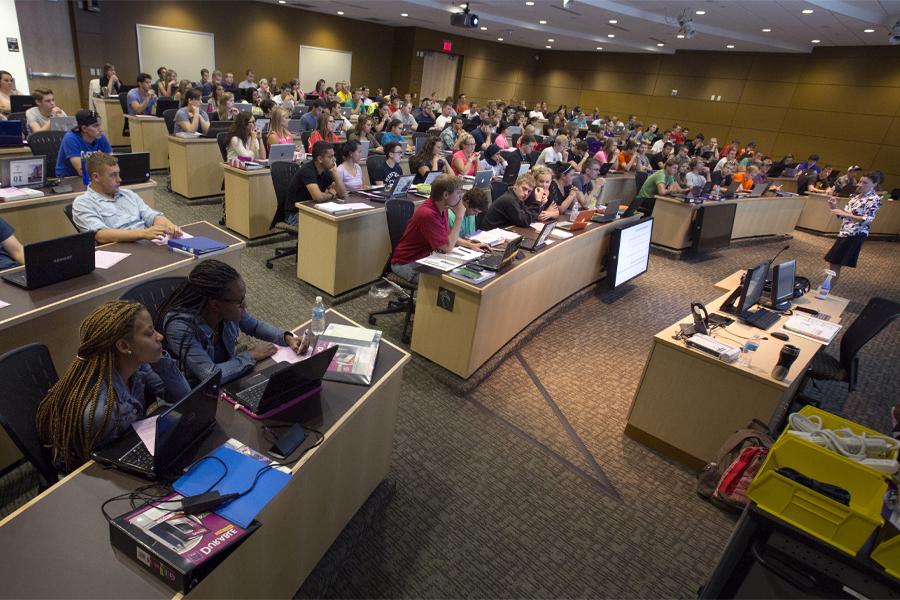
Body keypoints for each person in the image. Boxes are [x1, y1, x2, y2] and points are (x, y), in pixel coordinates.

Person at [35, 300, 191, 472]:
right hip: (92, 475)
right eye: (149, 333)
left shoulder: (137, 366)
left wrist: (160, 360)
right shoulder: (103, 411)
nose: (160, 336)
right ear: (124, 346)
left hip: (128, 446)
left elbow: (183, 397)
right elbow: (104, 463)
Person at [157, 260, 304, 388]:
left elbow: (254, 326)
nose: (244, 305)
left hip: (229, 378)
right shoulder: (179, 327)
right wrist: (251, 355)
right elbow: (209, 374)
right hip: (195, 393)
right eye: (239, 302)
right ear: (215, 305)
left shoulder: (227, 311)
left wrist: (287, 337)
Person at [390, 174, 489, 281]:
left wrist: (470, 245)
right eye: (458, 193)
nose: (461, 197)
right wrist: (459, 217)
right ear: (446, 195)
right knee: (449, 283)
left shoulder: (443, 208)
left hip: (424, 258)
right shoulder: (428, 214)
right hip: (406, 263)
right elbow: (447, 247)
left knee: (463, 275)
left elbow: (447, 236)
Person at [72, 152, 181, 243]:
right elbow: (101, 235)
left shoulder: (128, 194)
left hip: (146, 242)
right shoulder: (83, 203)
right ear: (96, 177)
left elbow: (151, 216)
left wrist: (169, 226)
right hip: (120, 248)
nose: (119, 179)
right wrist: (143, 233)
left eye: (118, 174)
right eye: (113, 175)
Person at [821, 171, 884, 294]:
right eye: (860, 181)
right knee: (834, 262)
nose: (860, 184)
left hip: (855, 234)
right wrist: (833, 207)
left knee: (835, 263)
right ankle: (825, 289)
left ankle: (825, 290)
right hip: (845, 232)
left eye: (865, 183)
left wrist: (846, 214)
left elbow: (867, 220)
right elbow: (844, 216)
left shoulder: (874, 199)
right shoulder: (857, 197)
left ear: (875, 184)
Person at [284, 141, 347, 225]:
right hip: (295, 214)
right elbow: (318, 197)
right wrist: (331, 194)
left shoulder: (326, 170)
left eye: (334, 156)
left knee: (340, 219)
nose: (334, 160)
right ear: (320, 159)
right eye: (330, 157)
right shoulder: (308, 171)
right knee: (327, 223)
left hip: (312, 209)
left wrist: (335, 172)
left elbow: (343, 194)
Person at [55, 109, 113, 178]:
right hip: (69, 178)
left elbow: (112, 162)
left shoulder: (100, 136)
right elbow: (82, 171)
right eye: (96, 126)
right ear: (84, 128)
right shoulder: (70, 138)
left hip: (95, 176)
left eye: (100, 125)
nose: (100, 129)